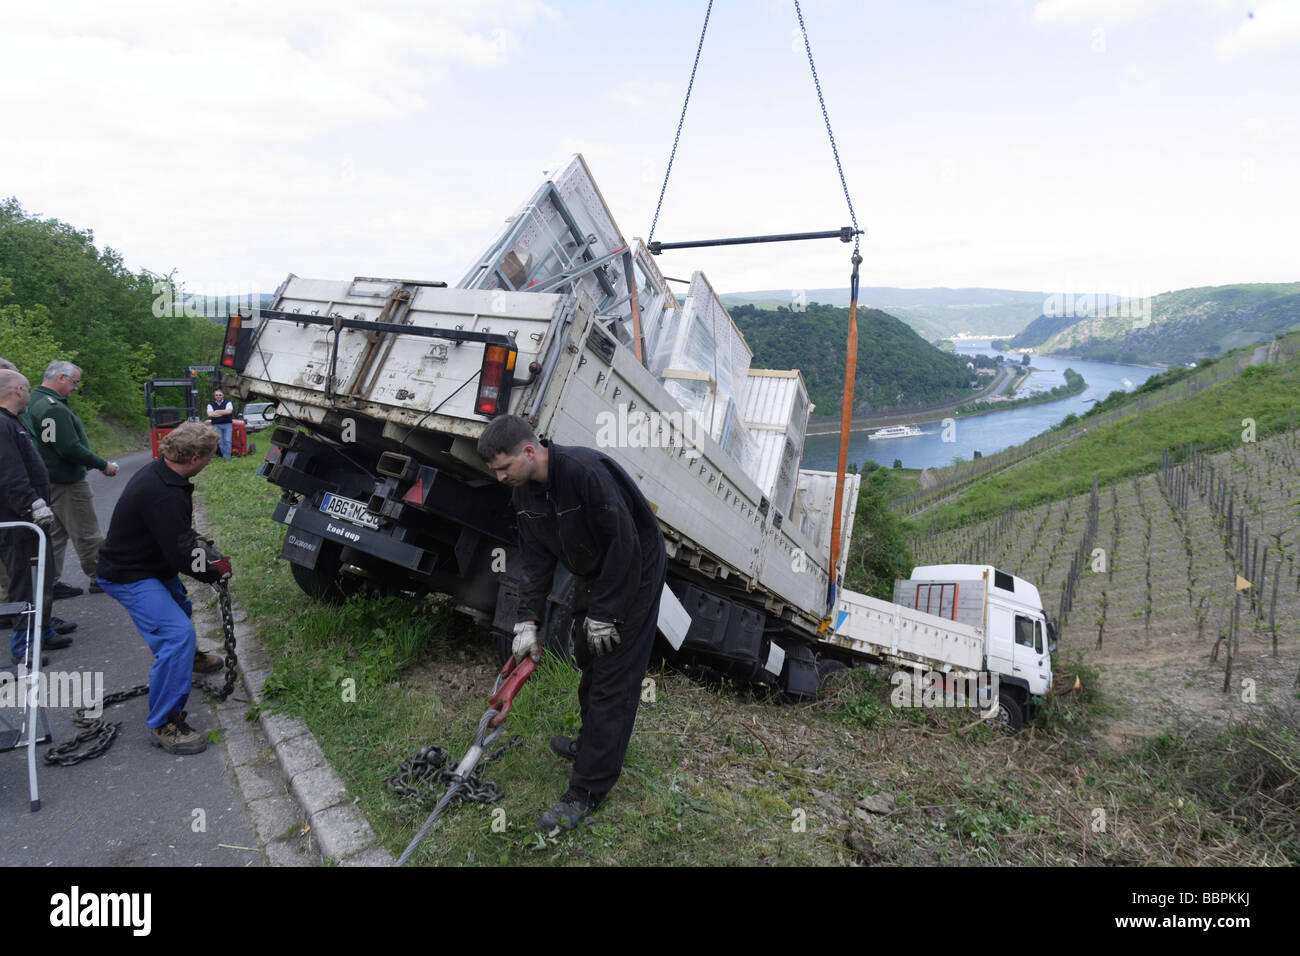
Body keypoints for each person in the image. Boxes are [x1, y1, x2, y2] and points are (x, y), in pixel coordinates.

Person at [476, 414, 666, 831]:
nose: (500, 476)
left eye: (504, 467)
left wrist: (607, 613)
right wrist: (527, 620)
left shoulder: (584, 473)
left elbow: (625, 543)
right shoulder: (524, 494)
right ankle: (592, 745)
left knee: (613, 676)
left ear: (529, 451)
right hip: (594, 572)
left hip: (636, 568)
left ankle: (586, 791)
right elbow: (536, 559)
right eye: (496, 471)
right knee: (588, 656)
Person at [96, 421, 231, 754]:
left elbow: (173, 535)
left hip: (151, 563)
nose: (213, 460)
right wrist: (215, 571)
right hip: (130, 574)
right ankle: (164, 722)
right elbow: (180, 552)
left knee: (181, 606)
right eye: (211, 455)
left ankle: (189, 660)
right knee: (176, 636)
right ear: (195, 457)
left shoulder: (164, 473)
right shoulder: (163, 493)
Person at [22, 361, 118, 599]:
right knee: (86, 531)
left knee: (55, 534)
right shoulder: (51, 407)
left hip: (49, 478)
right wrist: (102, 464)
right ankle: (101, 575)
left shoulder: (35, 400)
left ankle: (48, 582)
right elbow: (66, 447)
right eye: (74, 382)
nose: (76, 388)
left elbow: (51, 445)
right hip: (66, 481)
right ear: (61, 378)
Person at [0, 369, 74, 665]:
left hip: (30, 518)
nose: (30, 394)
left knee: (41, 574)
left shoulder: (13, 422)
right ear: (18, 390)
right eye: (28, 389)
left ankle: (42, 632)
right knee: (23, 581)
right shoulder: (2, 425)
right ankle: (23, 645)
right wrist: (32, 504)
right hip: (17, 519)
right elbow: (9, 473)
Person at [206, 389, 235, 459]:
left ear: (223, 396)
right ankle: (225, 456)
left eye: (220, 395)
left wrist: (216, 411)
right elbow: (209, 414)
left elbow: (228, 411)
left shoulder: (228, 403)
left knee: (227, 441)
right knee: (220, 442)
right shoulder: (210, 404)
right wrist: (223, 412)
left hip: (227, 425)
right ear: (214, 396)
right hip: (216, 425)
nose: (218, 396)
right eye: (216, 395)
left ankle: (227, 458)